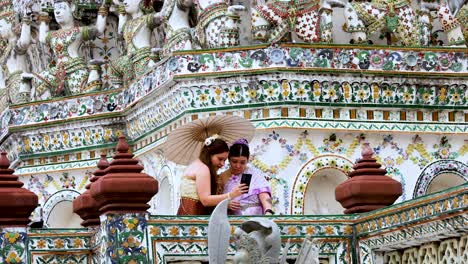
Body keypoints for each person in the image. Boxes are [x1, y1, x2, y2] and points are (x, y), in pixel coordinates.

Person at [177, 135, 248, 215]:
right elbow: (205, 200)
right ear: (209, 154)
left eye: (224, 160)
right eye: (220, 159)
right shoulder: (203, 169)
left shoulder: (196, 164)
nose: (222, 164)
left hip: (185, 213)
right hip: (194, 215)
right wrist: (232, 194)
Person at [219, 138, 274, 215]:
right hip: (231, 221)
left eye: (242, 162)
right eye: (234, 161)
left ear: (248, 160)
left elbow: (264, 195)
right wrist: (225, 205)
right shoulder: (222, 177)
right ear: (228, 159)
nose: (238, 166)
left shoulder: (255, 174)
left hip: (255, 220)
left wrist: (268, 210)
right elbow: (215, 201)